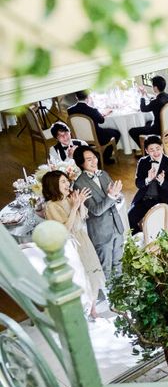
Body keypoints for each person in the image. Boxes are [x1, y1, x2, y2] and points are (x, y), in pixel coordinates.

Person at [42, 170, 106, 317]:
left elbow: (82, 217)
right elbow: (65, 229)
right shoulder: (51, 206)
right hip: (70, 244)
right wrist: (75, 206)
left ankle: (93, 308)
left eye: (67, 180)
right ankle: (81, 310)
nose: (68, 184)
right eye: (63, 182)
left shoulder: (69, 198)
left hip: (82, 238)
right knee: (79, 276)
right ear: (53, 185)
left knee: (92, 271)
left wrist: (80, 203)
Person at [72, 146, 124, 283]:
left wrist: (117, 196)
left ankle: (122, 291)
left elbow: (116, 197)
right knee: (106, 269)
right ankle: (110, 295)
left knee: (119, 263)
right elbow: (96, 210)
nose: (94, 161)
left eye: (94, 157)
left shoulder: (103, 174)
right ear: (81, 163)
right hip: (101, 232)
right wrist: (111, 196)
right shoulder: (79, 184)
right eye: (89, 159)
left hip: (116, 226)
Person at [127, 135, 168, 234]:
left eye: (158, 149)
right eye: (151, 150)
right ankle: (141, 238)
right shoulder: (143, 162)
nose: (156, 153)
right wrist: (148, 179)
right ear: (146, 151)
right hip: (145, 199)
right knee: (129, 219)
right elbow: (138, 184)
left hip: (162, 200)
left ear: (162, 147)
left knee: (153, 224)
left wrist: (162, 181)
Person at [67, 91, 121, 163]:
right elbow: (101, 121)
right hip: (97, 137)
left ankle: (97, 155)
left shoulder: (70, 110)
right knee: (116, 133)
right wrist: (102, 114)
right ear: (88, 97)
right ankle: (106, 158)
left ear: (76, 97)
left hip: (79, 138)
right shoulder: (92, 110)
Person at [130, 75, 168, 146]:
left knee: (132, 131)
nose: (152, 87)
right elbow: (157, 101)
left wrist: (142, 95)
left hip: (159, 130)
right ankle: (151, 142)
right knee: (148, 121)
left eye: (152, 86)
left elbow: (143, 109)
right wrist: (146, 95)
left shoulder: (155, 102)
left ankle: (145, 149)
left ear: (155, 87)